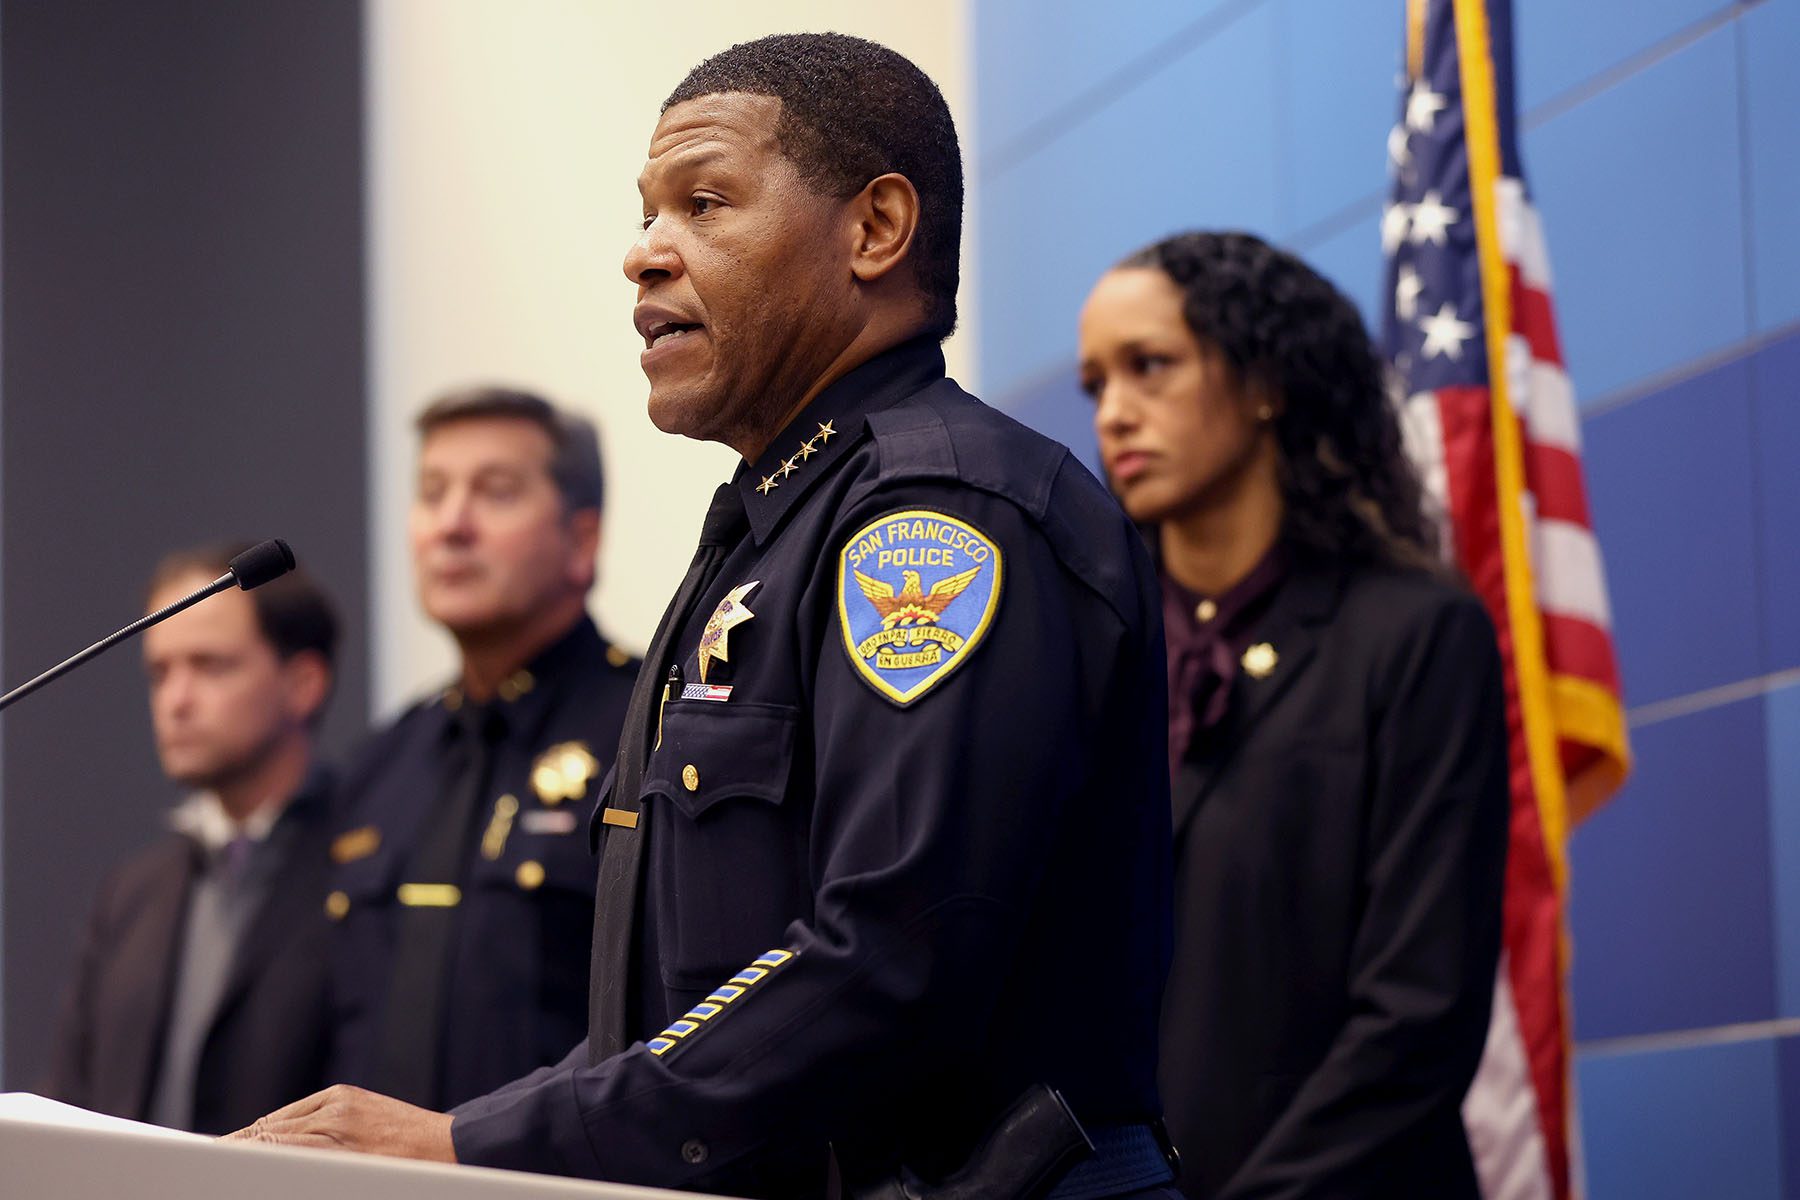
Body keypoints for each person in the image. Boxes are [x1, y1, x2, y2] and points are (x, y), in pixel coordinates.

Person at [233, 33, 1179, 1200]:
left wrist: (471, 1145)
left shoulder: (935, 520)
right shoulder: (769, 536)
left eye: (706, 201)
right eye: (646, 213)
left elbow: (887, 955)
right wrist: (457, 1141)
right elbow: (669, 1024)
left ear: (874, 230)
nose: (643, 255)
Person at [1076, 230, 1510, 1199]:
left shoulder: (1416, 634)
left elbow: (1419, 1017)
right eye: (1096, 383)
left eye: (1151, 366)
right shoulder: (1093, 656)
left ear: (1266, 380)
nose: (1115, 413)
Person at [322, 387, 640, 1111]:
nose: (451, 526)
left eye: (495, 493)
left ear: (581, 541)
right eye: (431, 494)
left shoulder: (645, 733)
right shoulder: (382, 764)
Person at [42, 544, 340, 1135]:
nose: (176, 701)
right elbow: (66, 1105)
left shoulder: (373, 869)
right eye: (160, 673)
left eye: (209, 665)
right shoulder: (132, 893)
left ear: (302, 683)